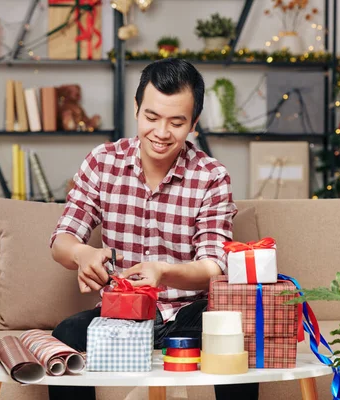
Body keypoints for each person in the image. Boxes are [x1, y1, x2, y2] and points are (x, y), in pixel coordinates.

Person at [48, 58, 259, 400]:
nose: (161, 133)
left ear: (194, 123)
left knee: (235, 332)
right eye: (151, 117)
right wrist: (81, 252)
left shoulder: (211, 176)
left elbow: (214, 265)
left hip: (188, 314)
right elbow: (62, 240)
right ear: (136, 108)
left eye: (177, 122)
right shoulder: (102, 162)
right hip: (121, 314)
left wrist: (163, 273)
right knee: (64, 337)